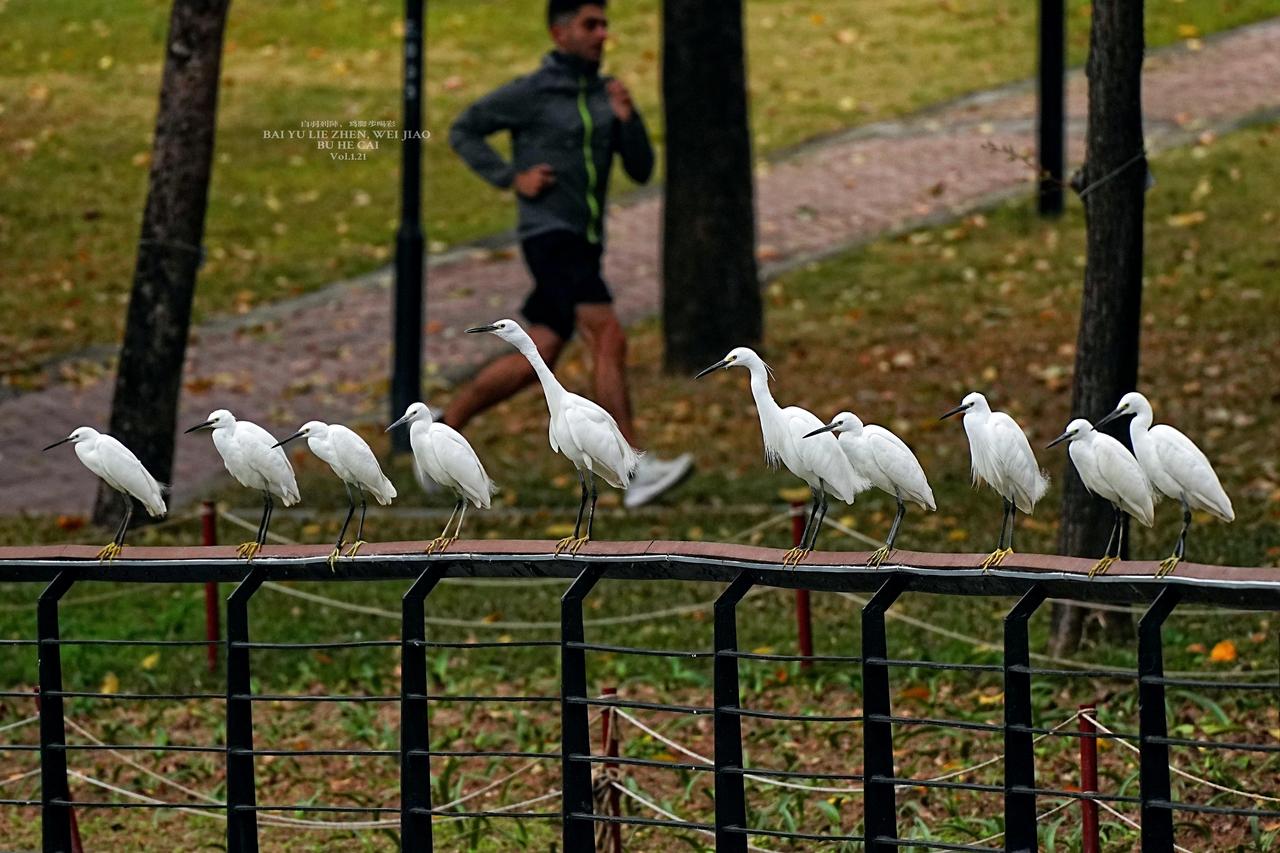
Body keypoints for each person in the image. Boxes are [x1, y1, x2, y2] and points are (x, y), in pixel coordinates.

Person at [445, 0, 692, 507]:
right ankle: (632, 467)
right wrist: (513, 178)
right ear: (560, 34)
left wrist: (628, 120)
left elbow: (642, 168)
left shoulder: (608, 92)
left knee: (541, 349)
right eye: (590, 25)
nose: (602, 34)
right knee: (608, 335)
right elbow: (464, 129)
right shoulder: (531, 92)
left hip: (585, 240)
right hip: (551, 236)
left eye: (605, 24)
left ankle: (442, 432)